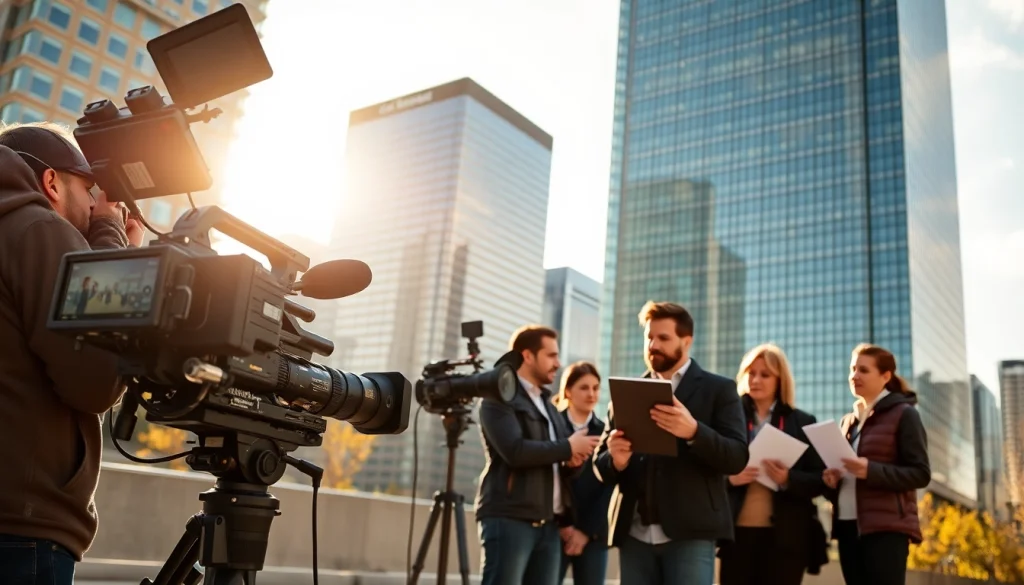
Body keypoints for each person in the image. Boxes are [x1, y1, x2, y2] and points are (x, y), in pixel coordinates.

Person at [0, 122, 143, 584]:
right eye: (89, 188)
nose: (94, 204)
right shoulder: (38, 226)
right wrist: (110, 240)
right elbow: (96, 377)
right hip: (21, 527)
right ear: (52, 183)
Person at [594, 301, 748, 585]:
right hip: (633, 536)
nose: (653, 344)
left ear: (686, 341)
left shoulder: (719, 390)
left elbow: (737, 456)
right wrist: (615, 459)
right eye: (649, 337)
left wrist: (693, 431)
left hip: (691, 535)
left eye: (663, 338)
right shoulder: (624, 394)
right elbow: (599, 465)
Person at [475, 326, 601, 585]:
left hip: (549, 525)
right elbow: (515, 451)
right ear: (528, 356)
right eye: (551, 356)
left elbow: (555, 463)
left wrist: (571, 463)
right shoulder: (498, 398)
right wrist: (568, 447)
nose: (558, 363)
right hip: (510, 519)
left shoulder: (547, 404)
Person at [718, 343, 828, 585]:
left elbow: (821, 479)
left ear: (780, 380)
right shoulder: (727, 418)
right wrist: (730, 479)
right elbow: (707, 470)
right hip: (735, 536)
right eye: (751, 373)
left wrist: (788, 479)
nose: (755, 379)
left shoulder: (802, 422)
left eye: (765, 374)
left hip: (786, 539)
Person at [822, 343, 930, 585]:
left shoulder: (905, 414)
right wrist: (832, 481)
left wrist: (870, 470)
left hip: (886, 528)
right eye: (852, 369)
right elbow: (845, 477)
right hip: (847, 526)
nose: (854, 376)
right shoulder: (848, 422)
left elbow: (920, 473)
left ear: (885, 376)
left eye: (863, 370)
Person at [551, 361, 612, 585]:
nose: (591, 393)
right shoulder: (551, 426)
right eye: (584, 387)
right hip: (554, 530)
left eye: (596, 388)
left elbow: (609, 486)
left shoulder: (607, 432)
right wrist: (563, 524)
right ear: (568, 390)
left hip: (593, 534)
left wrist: (585, 531)